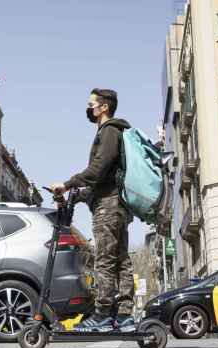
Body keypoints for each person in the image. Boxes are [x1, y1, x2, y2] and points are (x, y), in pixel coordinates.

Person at [50, 88, 135, 332]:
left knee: (106, 260)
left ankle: (103, 315)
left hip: (108, 206)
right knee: (120, 259)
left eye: (91, 104)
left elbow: (98, 169)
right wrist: (77, 197)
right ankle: (125, 314)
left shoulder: (109, 131)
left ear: (104, 107)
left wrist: (67, 184)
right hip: (115, 203)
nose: (89, 108)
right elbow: (103, 178)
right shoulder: (114, 131)